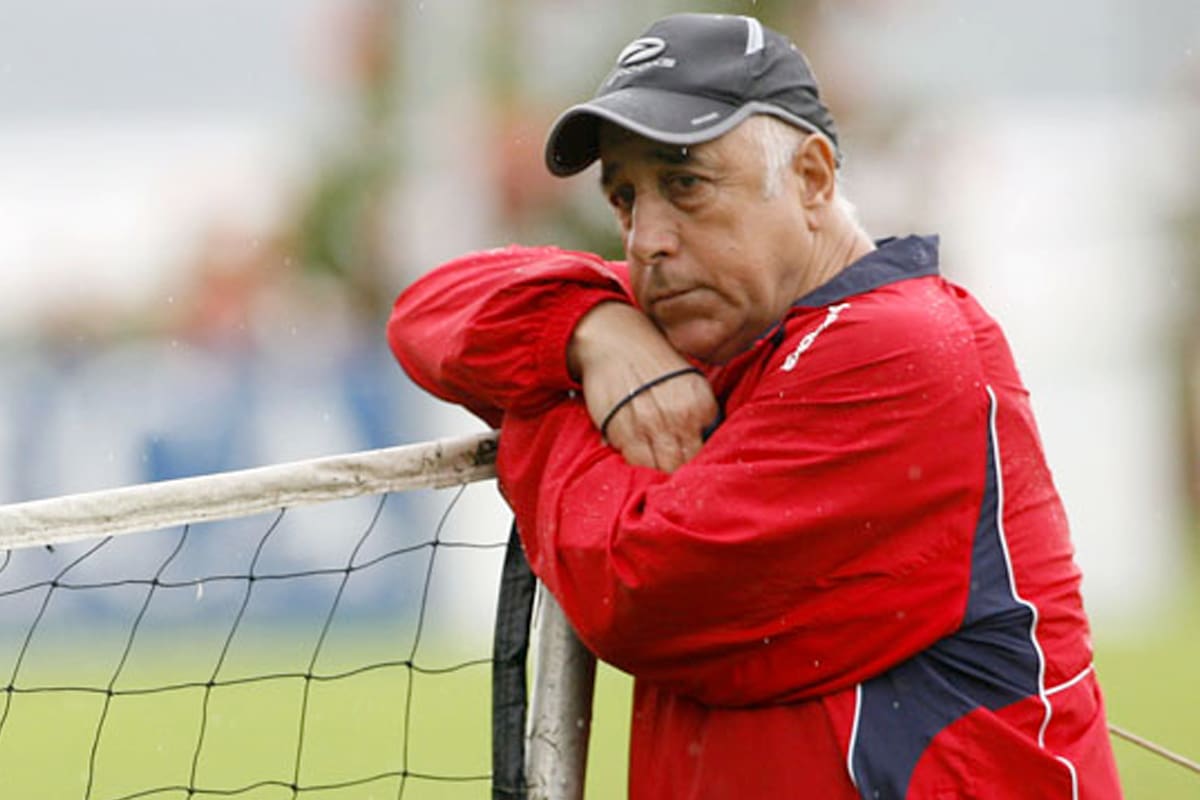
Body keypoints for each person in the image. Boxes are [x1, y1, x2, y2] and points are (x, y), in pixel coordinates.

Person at [388, 12, 1123, 800]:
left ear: (811, 179)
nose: (646, 239)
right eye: (627, 197)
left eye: (685, 184)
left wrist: (546, 411)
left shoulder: (899, 345)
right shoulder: (719, 333)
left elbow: (635, 587)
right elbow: (426, 314)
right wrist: (591, 331)